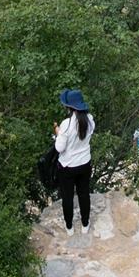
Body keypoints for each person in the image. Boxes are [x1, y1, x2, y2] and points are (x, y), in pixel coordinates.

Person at [52, 88, 95, 233]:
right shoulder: (90, 120)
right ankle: (85, 223)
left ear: (69, 107)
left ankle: (69, 227)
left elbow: (59, 148)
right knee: (84, 194)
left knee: (68, 197)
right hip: (84, 163)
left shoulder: (66, 124)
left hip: (68, 166)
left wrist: (58, 134)